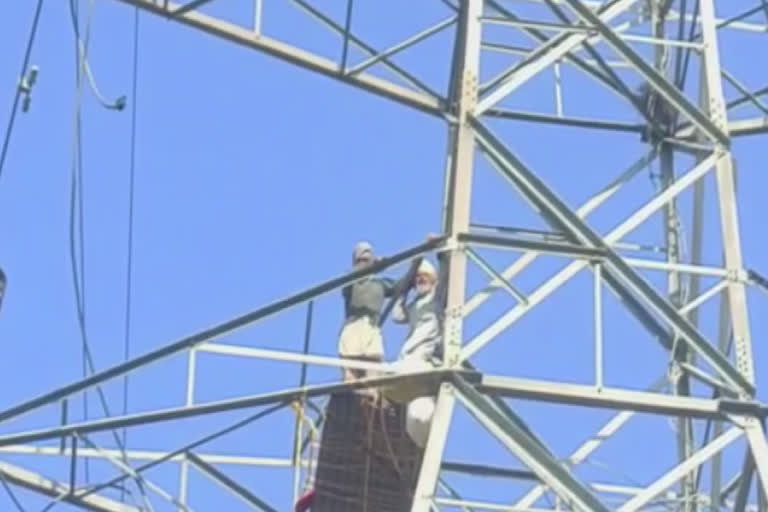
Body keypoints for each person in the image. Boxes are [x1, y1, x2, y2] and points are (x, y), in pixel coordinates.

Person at [391, 238, 448, 448]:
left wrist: (442, 254)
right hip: (409, 358)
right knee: (413, 419)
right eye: (417, 280)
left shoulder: (437, 299)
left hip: (425, 358)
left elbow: (446, 280)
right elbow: (397, 313)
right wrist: (414, 265)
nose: (420, 282)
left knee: (421, 414)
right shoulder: (415, 304)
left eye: (424, 278)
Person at [338, 241, 410, 382]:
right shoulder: (351, 281)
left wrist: (415, 267)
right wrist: (369, 267)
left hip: (371, 326)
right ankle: (350, 382)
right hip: (353, 324)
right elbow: (347, 282)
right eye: (360, 259)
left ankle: (372, 391)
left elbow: (400, 286)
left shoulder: (380, 283)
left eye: (367, 258)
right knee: (350, 364)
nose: (363, 262)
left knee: (373, 362)